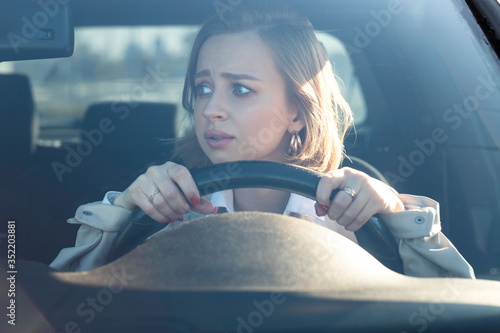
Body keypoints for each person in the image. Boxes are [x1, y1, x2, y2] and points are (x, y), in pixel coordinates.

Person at [50, 3, 475, 278]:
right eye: (202, 87)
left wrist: (396, 217)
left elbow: (449, 305)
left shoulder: (355, 216)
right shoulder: (163, 209)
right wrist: (124, 212)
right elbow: (67, 302)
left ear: (296, 110)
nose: (210, 108)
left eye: (240, 89)